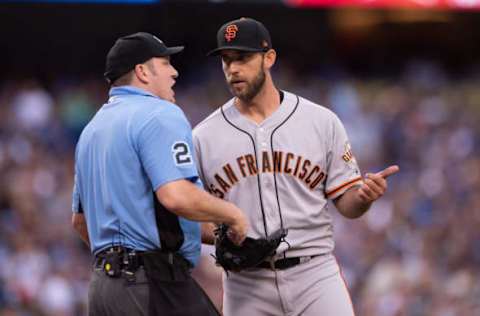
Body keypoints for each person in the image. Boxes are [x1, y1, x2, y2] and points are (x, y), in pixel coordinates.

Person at [193, 18, 399, 316]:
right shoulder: (202, 136)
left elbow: (347, 204)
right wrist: (221, 234)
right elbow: (186, 214)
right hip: (246, 283)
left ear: (269, 58)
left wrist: (363, 198)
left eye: (243, 58)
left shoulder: (319, 121)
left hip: (314, 275)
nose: (233, 68)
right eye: (226, 60)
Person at [71, 32, 248, 316]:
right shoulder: (159, 113)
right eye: (165, 63)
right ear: (142, 71)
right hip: (153, 283)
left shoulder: (92, 130)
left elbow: (80, 222)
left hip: (104, 289)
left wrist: (121, 260)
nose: (174, 72)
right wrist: (233, 215)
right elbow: (176, 196)